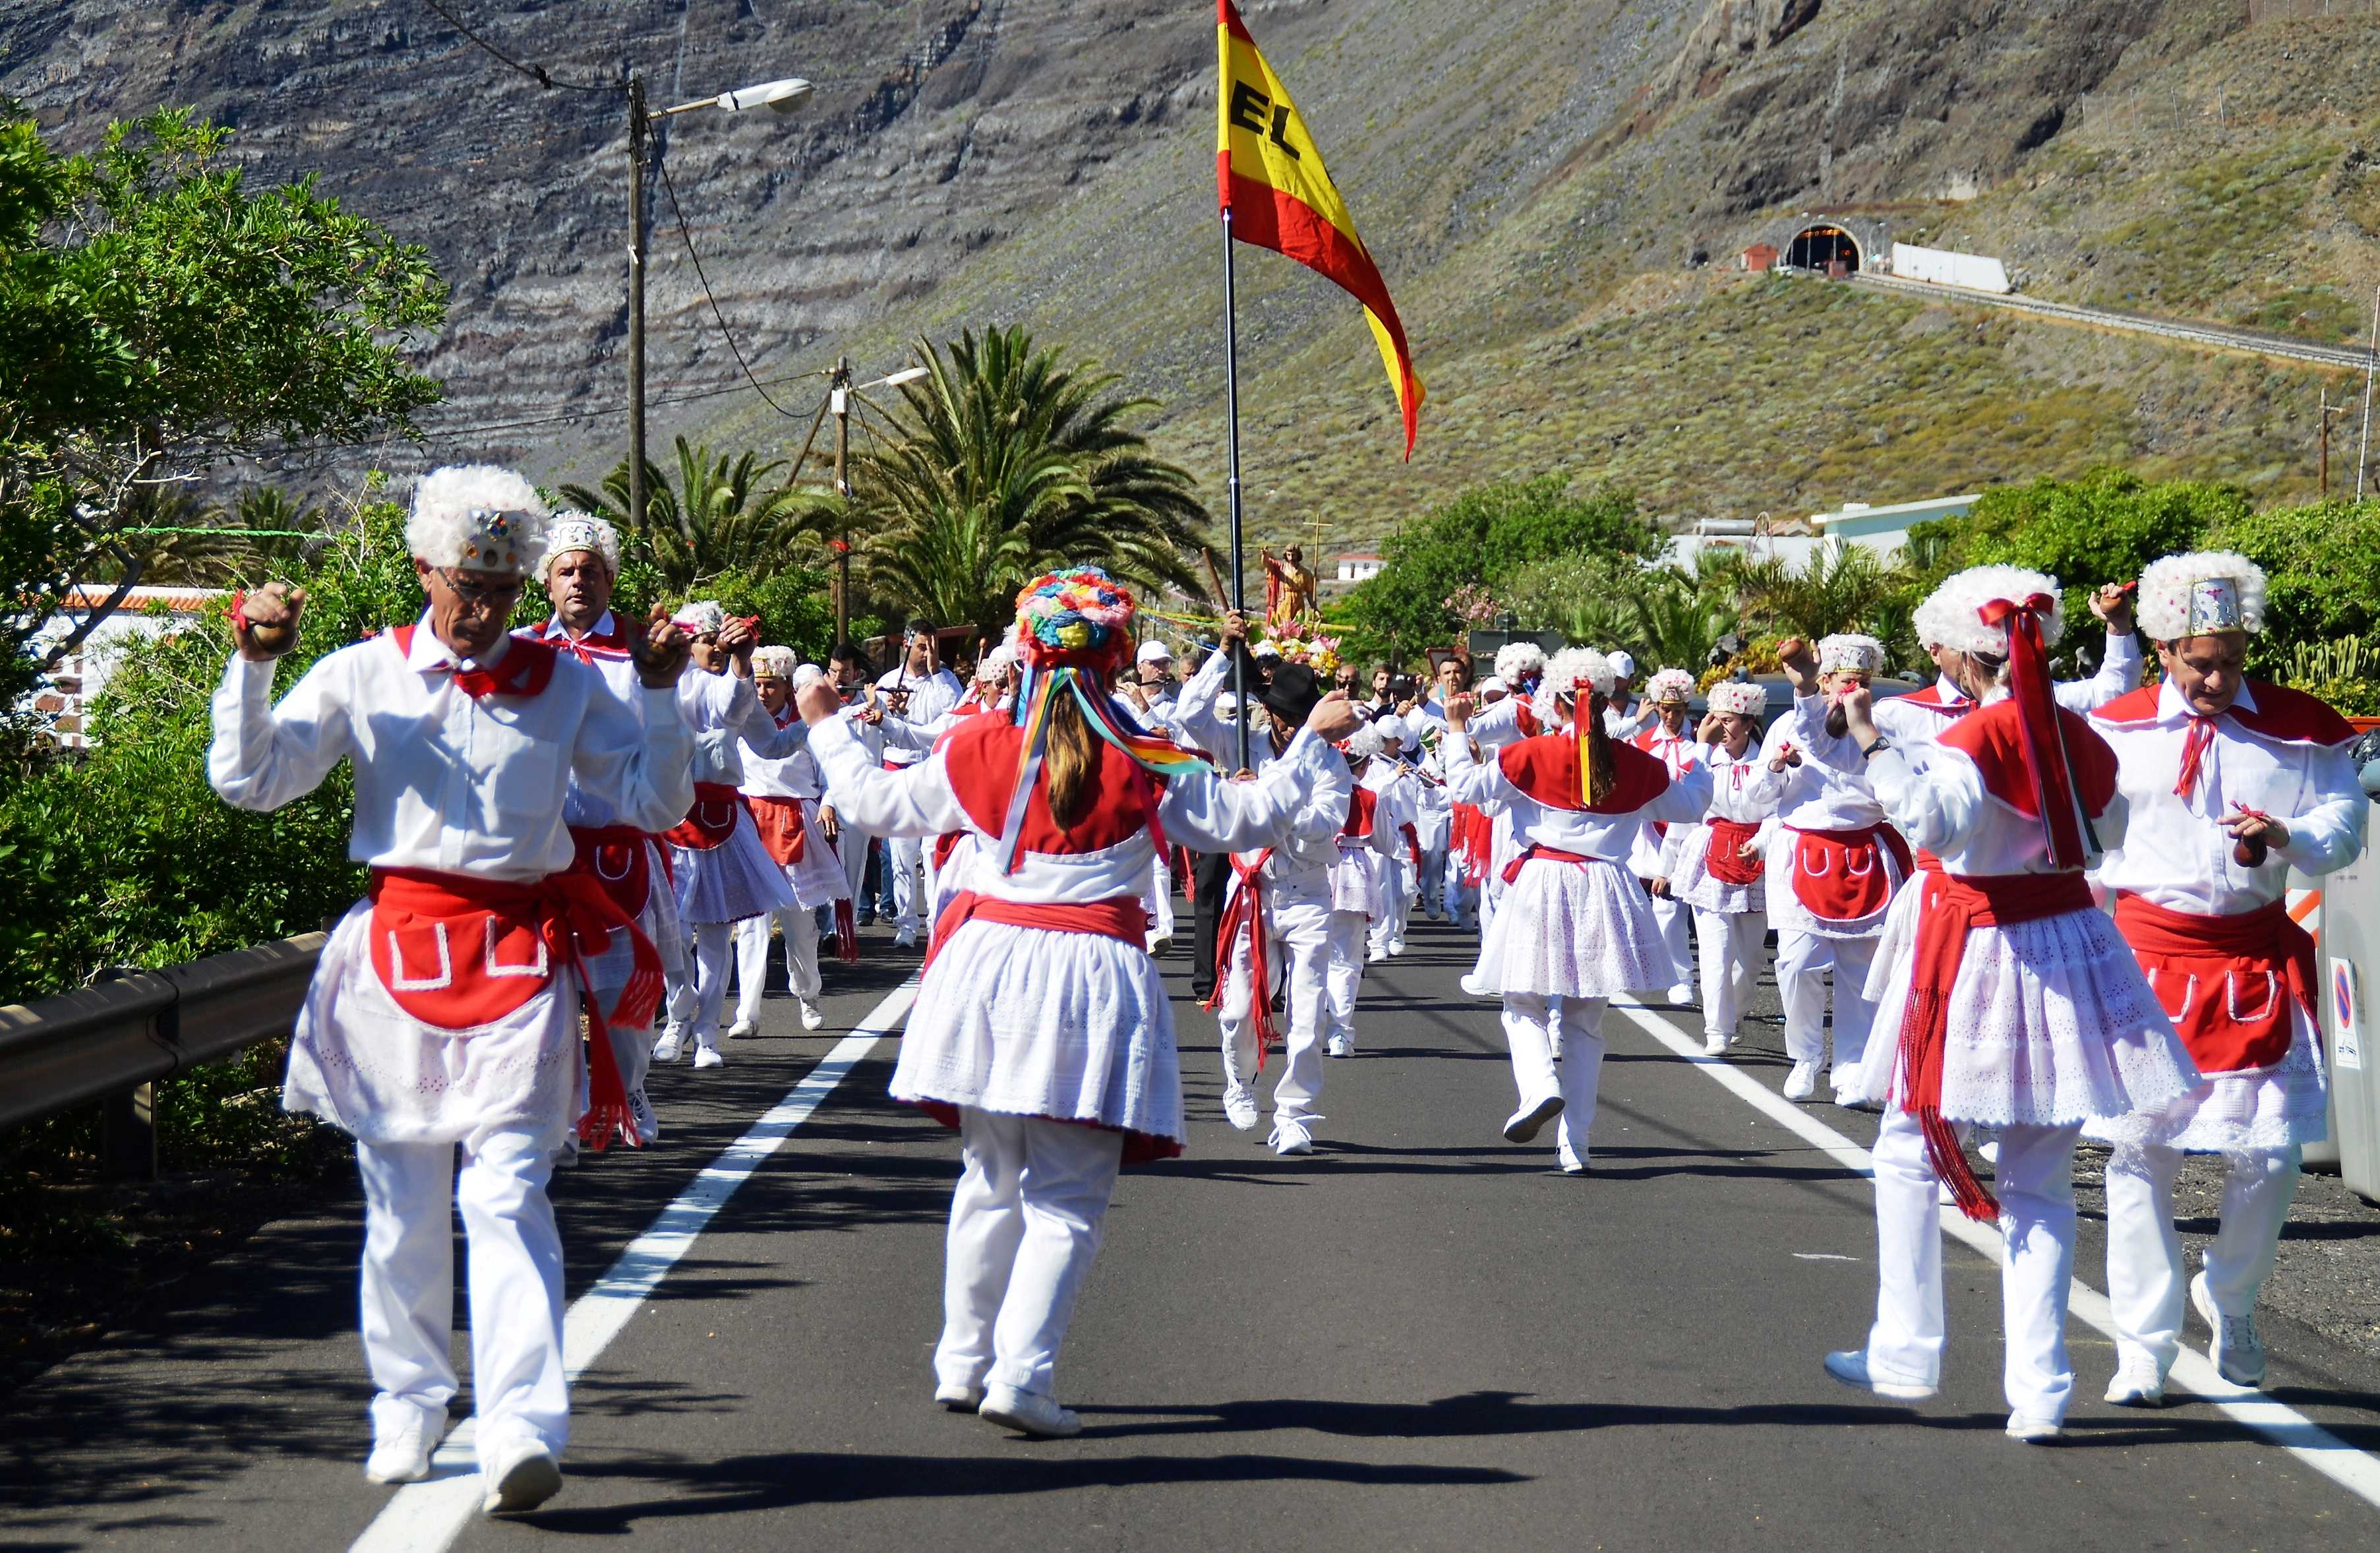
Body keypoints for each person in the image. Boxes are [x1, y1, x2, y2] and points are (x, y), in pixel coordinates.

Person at [210, 466, 694, 1511]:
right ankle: (409, 1398)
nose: (479, 609)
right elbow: (254, 781)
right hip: (390, 956)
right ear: (425, 569)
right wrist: (251, 669)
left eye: (502, 590)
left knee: (507, 1191)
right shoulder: (360, 673)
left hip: (519, 955)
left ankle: (519, 1422)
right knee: (402, 1203)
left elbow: (654, 805)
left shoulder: (570, 684)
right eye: (463, 584)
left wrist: (657, 694)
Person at [798, 567, 1358, 1437]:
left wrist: (827, 726)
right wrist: (1314, 741)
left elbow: (873, 798)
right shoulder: (1144, 744)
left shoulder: (981, 739)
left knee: (988, 1173)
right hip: (1089, 970)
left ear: (1026, 648)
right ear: (1118, 653)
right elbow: (1247, 817)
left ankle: (962, 1359)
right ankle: (1018, 1375)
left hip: (985, 965)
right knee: (1064, 1192)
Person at [1821, 566, 2197, 1442]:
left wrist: (1875, 741)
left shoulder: (1971, 735)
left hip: (1981, 945)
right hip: (2071, 942)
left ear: (1960, 648)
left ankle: (1905, 1348)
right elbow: (2109, 836)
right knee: (2039, 1178)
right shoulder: (2079, 732)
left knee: (1907, 1144)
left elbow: (1931, 827)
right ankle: (2040, 1388)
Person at [2091, 552, 2367, 1403]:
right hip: (2147, 955)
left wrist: (2290, 837)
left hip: (2252, 953)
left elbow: (2344, 824)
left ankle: (2232, 1295)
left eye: (2231, 660)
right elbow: (2078, 829)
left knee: (2273, 1154)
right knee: (2142, 1151)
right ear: (2164, 648)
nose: (2215, 678)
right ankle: (2142, 1341)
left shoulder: (2300, 728)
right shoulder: (2117, 727)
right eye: (2197, 661)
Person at [1441, 648, 1715, 1172]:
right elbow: (1690, 805)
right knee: (1586, 1022)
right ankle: (1577, 1144)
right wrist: (1699, 757)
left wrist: (1457, 731)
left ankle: (1540, 1085)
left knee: (1522, 999)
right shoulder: (1636, 762)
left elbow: (1465, 787)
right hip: (1606, 886)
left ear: (1558, 701)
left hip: (1544, 882)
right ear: (1607, 698)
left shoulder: (1533, 754)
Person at [521, 511, 686, 1146]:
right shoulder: (523, 651)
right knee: (550, 992)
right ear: (547, 583)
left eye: (590, 570)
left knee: (622, 994)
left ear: (610, 581)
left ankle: (630, 1089)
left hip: (619, 849)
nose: (578, 581)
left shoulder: (645, 651)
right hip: (544, 856)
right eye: (566, 571)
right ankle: (562, 1114)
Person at [1174, 610, 1359, 1152]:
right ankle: (1238, 1079)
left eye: (1294, 718)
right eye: (1276, 714)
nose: (1282, 725)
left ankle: (1296, 1113)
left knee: (1307, 1011)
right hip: (1251, 892)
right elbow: (1188, 715)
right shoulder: (1243, 741)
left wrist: (1264, 798)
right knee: (1236, 1010)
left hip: (1305, 895)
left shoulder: (1330, 764)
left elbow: (1324, 824)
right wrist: (1222, 652)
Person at [1760, 634, 1907, 1105]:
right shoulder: (1792, 723)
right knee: (1798, 962)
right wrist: (1779, 770)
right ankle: (1805, 1055)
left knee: (1861, 973)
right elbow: (1763, 793)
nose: (1858, 691)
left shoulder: (1881, 726)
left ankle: (1851, 1066)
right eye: (1849, 681)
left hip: (1865, 852)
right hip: (1803, 851)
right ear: (1825, 681)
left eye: (1865, 682)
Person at [656, 603, 805, 1069]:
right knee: (671, 931)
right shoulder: (664, 687)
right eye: (709, 641)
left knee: (717, 935)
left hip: (721, 819)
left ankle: (706, 1035)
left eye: (724, 641)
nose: (718, 649)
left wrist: (814, 723)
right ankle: (678, 1013)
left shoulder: (735, 688)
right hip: (670, 818)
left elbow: (771, 742)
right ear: (687, 643)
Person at [1657, 681, 1785, 1055]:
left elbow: (1779, 814)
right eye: (1716, 719)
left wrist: (1760, 843)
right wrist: (1667, 866)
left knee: (1751, 960)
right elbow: (1686, 809)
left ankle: (1735, 1014)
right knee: (1716, 948)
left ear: (1748, 724)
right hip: (1710, 854)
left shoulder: (1769, 764)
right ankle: (1717, 1029)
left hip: (1754, 861)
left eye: (1728, 720)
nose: (1721, 727)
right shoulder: (1705, 761)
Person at [732, 653, 855, 1036]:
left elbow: (832, 776)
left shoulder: (808, 726)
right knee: (752, 924)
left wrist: (830, 804)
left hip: (797, 824)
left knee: (800, 925)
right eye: (759, 684)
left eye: (772, 684)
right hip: (752, 825)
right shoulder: (741, 722)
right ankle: (747, 1013)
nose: (764, 691)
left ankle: (808, 994)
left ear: (788, 686)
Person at [876, 619, 966, 947]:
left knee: (931, 850)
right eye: (922, 647)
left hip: (931, 774)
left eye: (932, 647)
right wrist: (891, 711)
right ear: (906, 645)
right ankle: (906, 925)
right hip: (899, 774)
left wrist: (937, 669)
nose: (927, 653)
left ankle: (935, 920)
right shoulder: (887, 682)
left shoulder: (947, 680)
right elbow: (876, 726)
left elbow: (955, 714)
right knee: (901, 852)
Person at [1324, 719, 1401, 1057]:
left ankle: (1308, 1027)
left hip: (1315, 870)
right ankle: (1340, 1033)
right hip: (1353, 874)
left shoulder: (1315, 791)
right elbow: (1386, 843)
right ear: (1365, 763)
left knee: (1308, 957)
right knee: (1346, 960)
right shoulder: (1367, 797)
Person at [1628, 667, 1703, 1004]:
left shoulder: (1698, 744)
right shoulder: (1643, 744)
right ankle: (1662, 972)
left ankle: (1683, 975)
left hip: (1689, 831)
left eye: (1677, 710)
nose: (1670, 716)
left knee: (1680, 909)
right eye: (1665, 709)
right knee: (1655, 908)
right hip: (1651, 832)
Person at [1364, 716, 1424, 959]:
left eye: (1385, 740)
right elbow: (1368, 793)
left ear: (1398, 742)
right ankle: (1378, 942)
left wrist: (1429, 786)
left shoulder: (1410, 767)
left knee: (1408, 890)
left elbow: (1431, 802)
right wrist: (1392, 777)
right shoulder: (1369, 765)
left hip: (1403, 836)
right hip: (1378, 834)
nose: (1379, 743)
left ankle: (1398, 931)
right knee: (1380, 889)